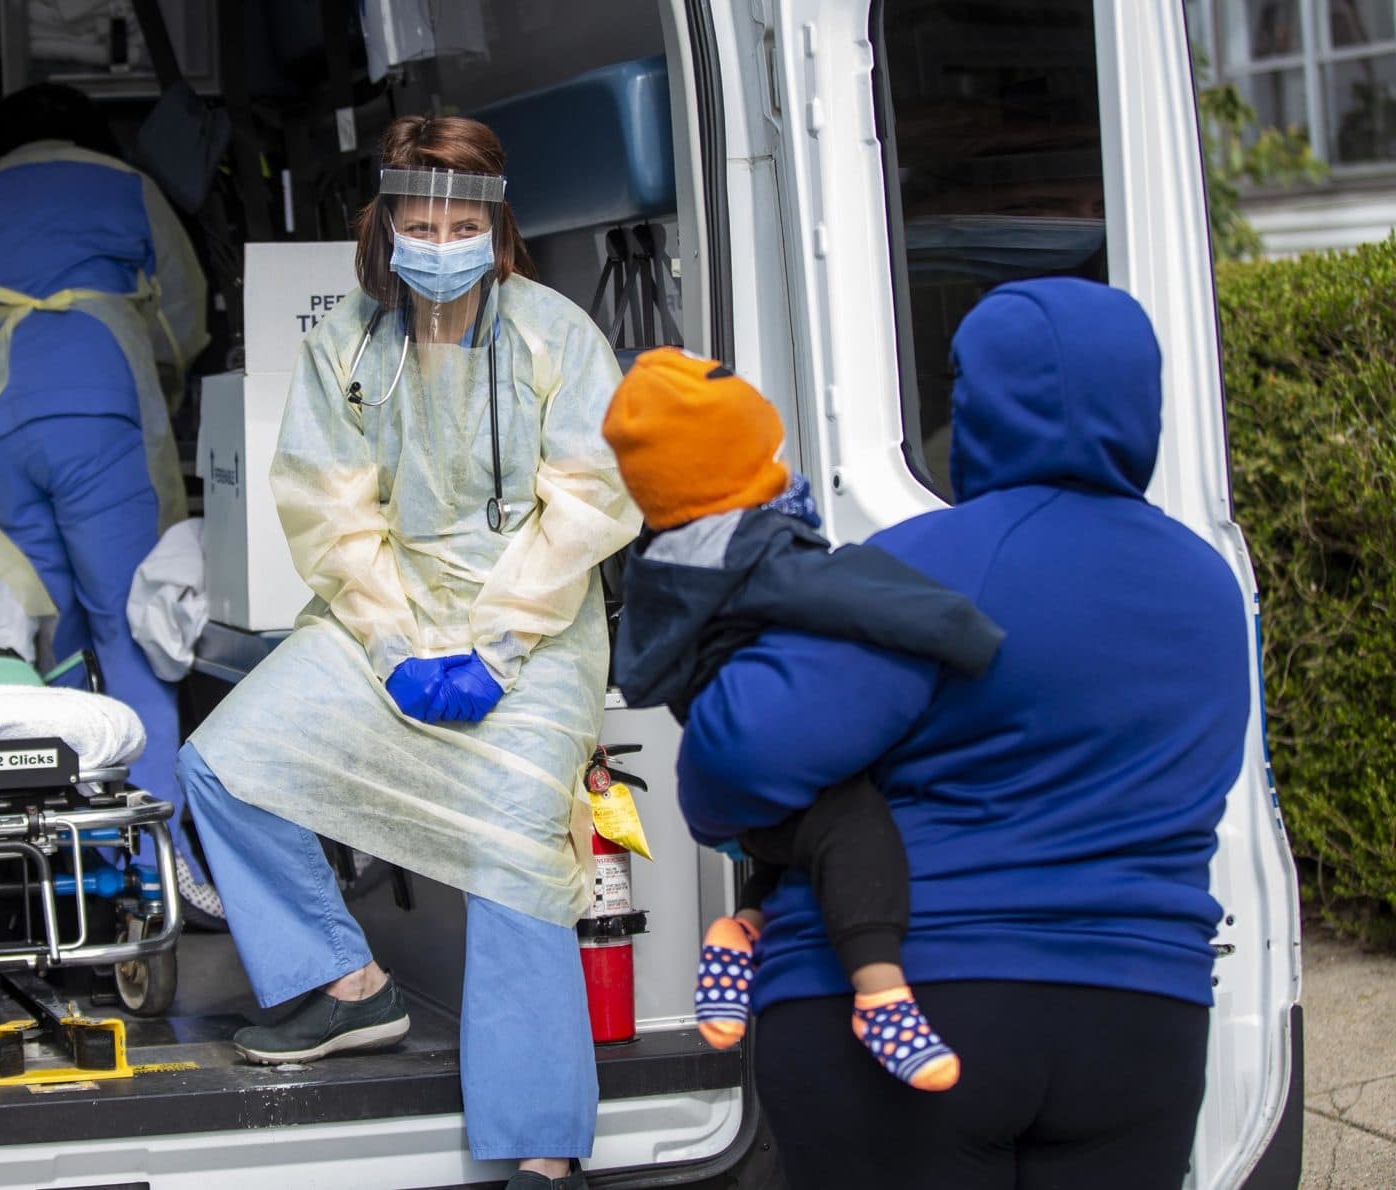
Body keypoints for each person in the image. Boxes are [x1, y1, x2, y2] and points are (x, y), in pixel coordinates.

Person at [676, 278, 1250, 1189]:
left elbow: (730, 768)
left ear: (981, 401)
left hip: (920, 1002)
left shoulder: (932, 561)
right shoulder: (1209, 583)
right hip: (1145, 1017)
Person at [175, 115, 641, 1190]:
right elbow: (330, 512)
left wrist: (500, 643)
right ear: (386, 222)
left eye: (461, 220)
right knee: (227, 757)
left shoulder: (555, 333)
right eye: (419, 220)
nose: (440, 240)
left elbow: (587, 503)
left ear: (495, 223)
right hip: (386, 609)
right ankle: (345, 983)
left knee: (517, 852)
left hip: (537, 618)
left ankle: (540, 1145)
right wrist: (391, 644)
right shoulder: (350, 337)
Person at [603, 347, 1007, 1091]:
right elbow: (859, 595)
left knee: (803, 842)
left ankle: (743, 930)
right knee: (855, 828)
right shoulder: (754, 549)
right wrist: (969, 635)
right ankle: (880, 990)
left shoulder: (668, 557)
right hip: (768, 771)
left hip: (731, 797)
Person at [0, 83, 217, 919]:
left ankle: (54, 855)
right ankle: (153, 856)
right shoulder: (125, 185)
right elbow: (185, 324)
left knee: (41, 635)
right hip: (100, 407)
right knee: (134, 624)